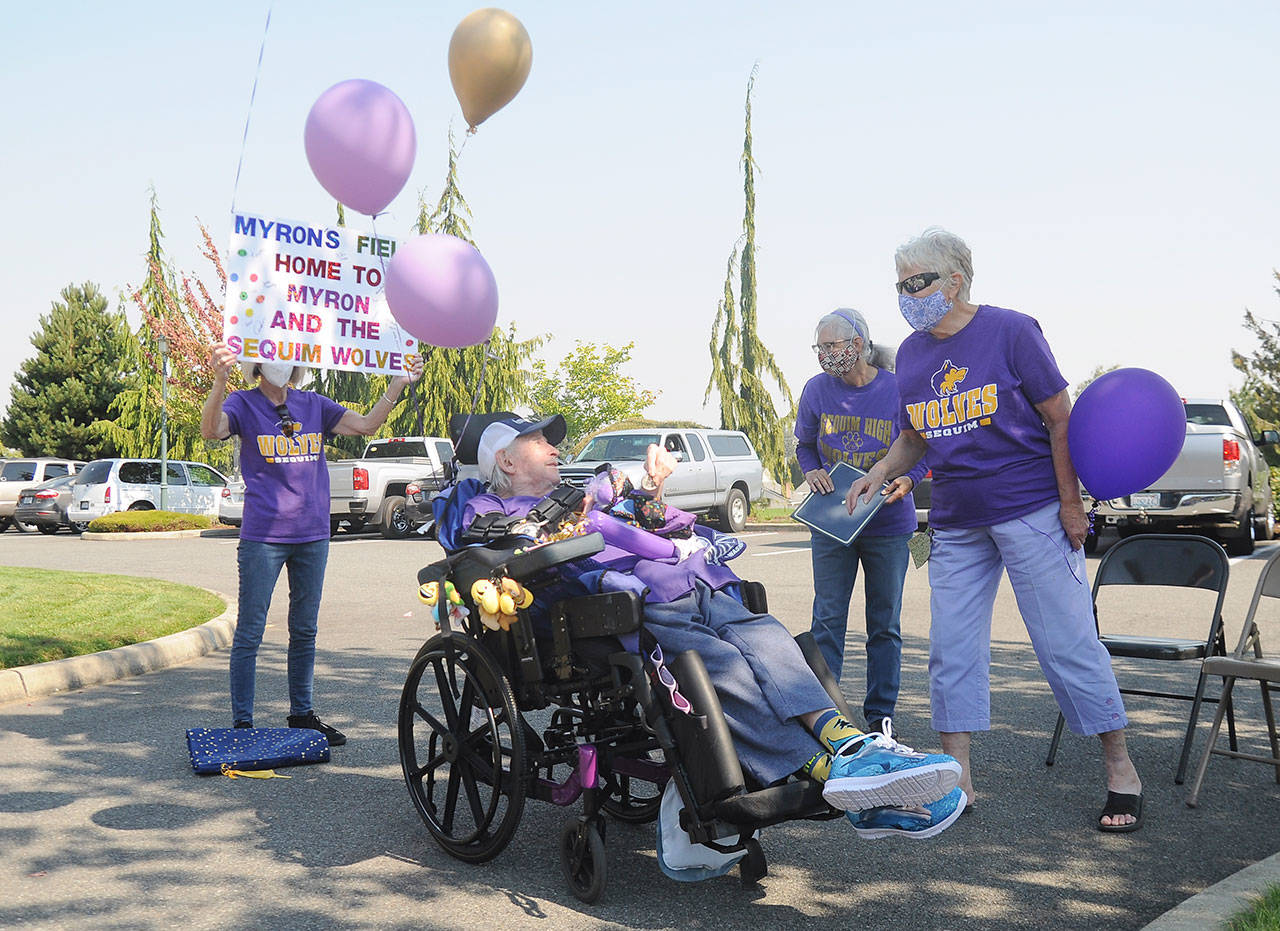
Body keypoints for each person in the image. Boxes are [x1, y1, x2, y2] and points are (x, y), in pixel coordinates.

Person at [462, 414, 967, 839]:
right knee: (721, 667)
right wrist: (564, 523)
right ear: (505, 461)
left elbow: (652, 520)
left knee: (765, 637)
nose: (553, 447)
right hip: (615, 610)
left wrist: (650, 492)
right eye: (537, 442)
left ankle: (849, 747)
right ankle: (834, 774)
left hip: (688, 580)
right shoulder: (487, 509)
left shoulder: (584, 492)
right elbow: (501, 558)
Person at [846, 228, 1144, 832]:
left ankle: (1120, 768)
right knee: (950, 653)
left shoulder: (1011, 330)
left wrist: (1071, 505)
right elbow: (914, 437)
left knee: (1066, 644)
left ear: (955, 280)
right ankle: (958, 782)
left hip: (1031, 508)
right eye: (899, 284)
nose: (906, 295)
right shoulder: (909, 353)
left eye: (917, 282)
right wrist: (875, 473)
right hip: (956, 520)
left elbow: (1061, 419)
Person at [200, 343, 423, 745]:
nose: (281, 361)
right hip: (263, 536)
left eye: (288, 352)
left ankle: (302, 715)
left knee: (304, 629)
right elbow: (212, 430)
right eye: (271, 353)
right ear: (256, 363)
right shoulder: (243, 403)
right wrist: (219, 380)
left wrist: (398, 384)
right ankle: (243, 725)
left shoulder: (313, 404)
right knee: (250, 630)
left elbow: (367, 426)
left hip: (312, 534)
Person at [795, 307, 926, 733]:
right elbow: (805, 446)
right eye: (819, 347)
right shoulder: (816, 390)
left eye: (830, 346)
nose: (824, 355)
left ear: (857, 345)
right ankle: (827, 715)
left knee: (884, 624)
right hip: (834, 521)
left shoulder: (898, 388)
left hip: (889, 524)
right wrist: (810, 469)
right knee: (827, 620)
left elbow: (923, 446)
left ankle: (881, 716)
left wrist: (908, 478)